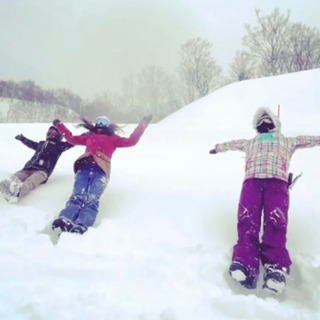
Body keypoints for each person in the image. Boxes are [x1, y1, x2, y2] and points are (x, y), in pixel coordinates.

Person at [209, 107, 320, 294]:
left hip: (277, 184)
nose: (263, 122)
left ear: (276, 124)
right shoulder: (250, 142)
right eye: (260, 120)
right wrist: (219, 148)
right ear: (256, 126)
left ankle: (276, 269)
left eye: (267, 119)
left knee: (275, 223)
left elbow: (306, 140)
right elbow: (234, 143)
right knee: (247, 221)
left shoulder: (286, 140)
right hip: (251, 183)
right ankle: (245, 264)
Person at [52, 114, 152, 235]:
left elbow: (131, 141)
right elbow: (71, 138)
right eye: (99, 121)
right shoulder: (89, 136)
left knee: (92, 199)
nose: (100, 124)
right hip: (84, 167)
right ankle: (66, 218)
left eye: (104, 122)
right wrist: (59, 125)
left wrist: (142, 125)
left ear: (108, 125)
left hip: (101, 170)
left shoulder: (113, 139)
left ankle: (82, 224)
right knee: (77, 196)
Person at [0, 125, 74, 203]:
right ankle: (5, 185)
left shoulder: (59, 146)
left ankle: (18, 192)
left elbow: (72, 141)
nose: (51, 135)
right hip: (28, 168)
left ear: (59, 135)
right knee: (16, 176)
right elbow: (31, 143)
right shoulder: (41, 144)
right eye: (49, 133)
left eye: (53, 133)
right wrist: (23, 139)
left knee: (30, 181)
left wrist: (85, 136)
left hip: (42, 171)